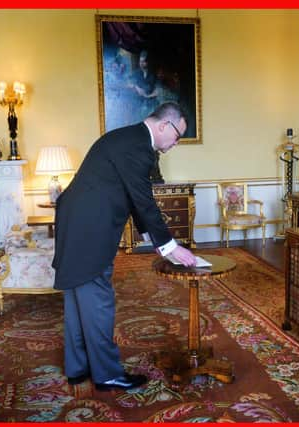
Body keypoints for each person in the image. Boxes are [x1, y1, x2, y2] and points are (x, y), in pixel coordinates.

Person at [52, 102, 196, 391]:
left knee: (78, 300)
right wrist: (169, 246)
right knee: (98, 302)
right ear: (163, 125)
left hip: (76, 223)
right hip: (88, 229)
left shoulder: (129, 138)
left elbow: (130, 196)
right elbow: (143, 200)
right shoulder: (139, 147)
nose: (176, 144)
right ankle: (107, 375)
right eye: (178, 136)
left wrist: (150, 239)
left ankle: (77, 368)